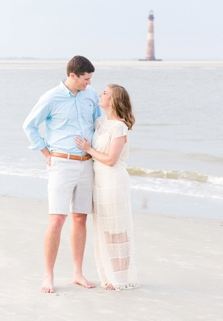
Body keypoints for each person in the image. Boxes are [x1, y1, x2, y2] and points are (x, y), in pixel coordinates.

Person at [22, 55, 101, 293]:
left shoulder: (91, 94)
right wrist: (46, 153)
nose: (88, 83)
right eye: (85, 79)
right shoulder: (51, 97)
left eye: (90, 79)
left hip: (87, 164)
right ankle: (48, 276)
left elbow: (99, 123)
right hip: (61, 163)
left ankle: (77, 273)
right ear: (72, 75)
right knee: (57, 219)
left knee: (80, 218)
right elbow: (29, 126)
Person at [75, 84, 139, 291]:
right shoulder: (100, 122)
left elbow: (111, 160)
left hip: (113, 181)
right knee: (105, 230)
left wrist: (88, 149)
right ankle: (111, 275)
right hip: (99, 181)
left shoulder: (119, 127)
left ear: (112, 101)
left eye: (104, 93)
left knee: (117, 229)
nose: (100, 95)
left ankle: (120, 276)